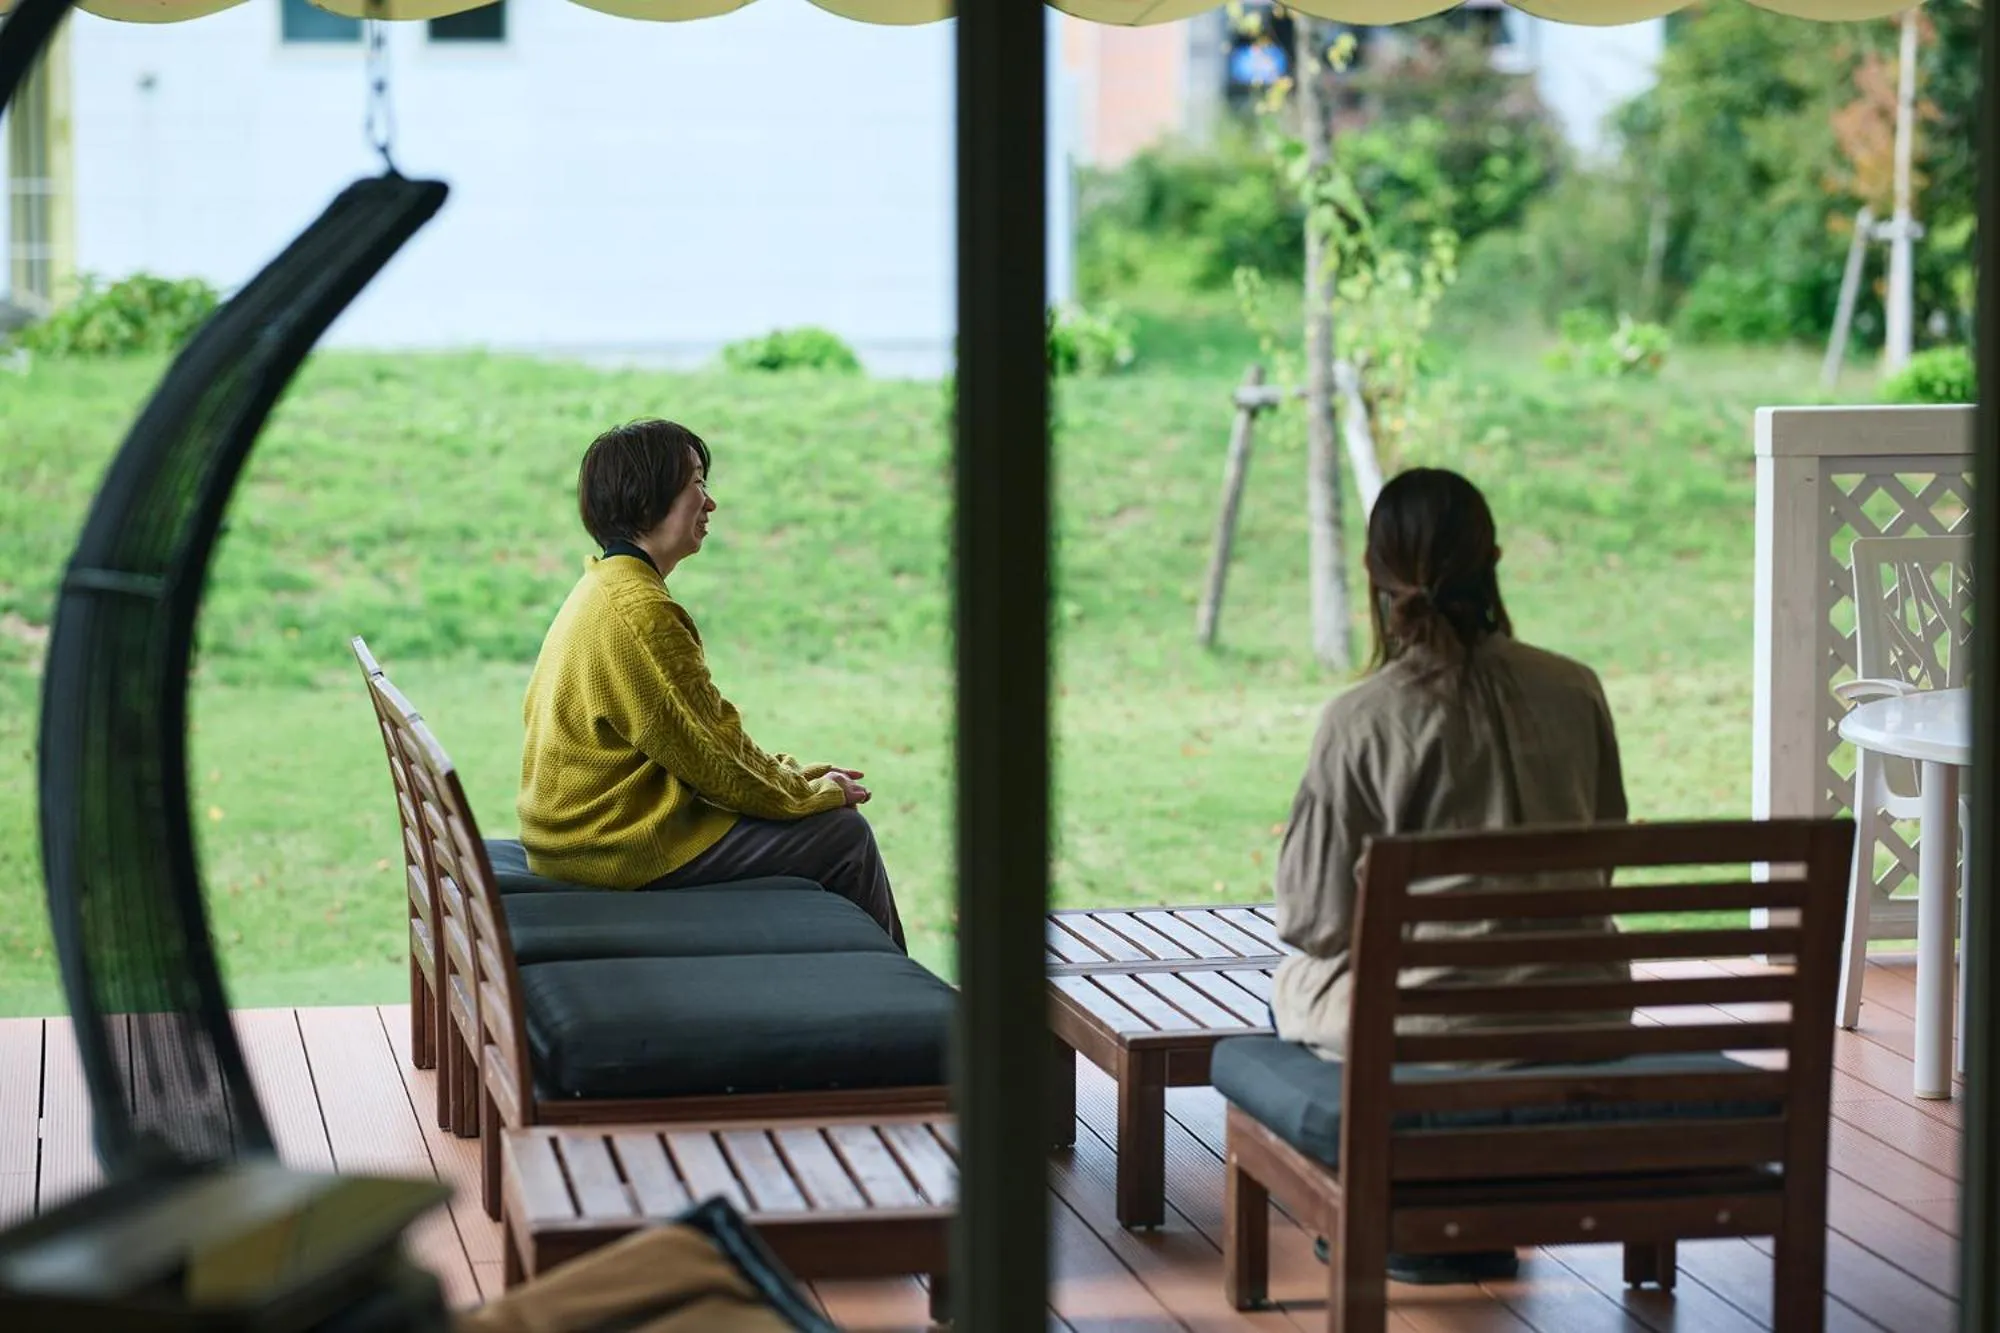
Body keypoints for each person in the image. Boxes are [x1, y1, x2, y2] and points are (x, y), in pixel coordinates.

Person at [1269, 466, 1629, 1285]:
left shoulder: (1361, 719)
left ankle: (1400, 1205)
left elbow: (1314, 920)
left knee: (1293, 987)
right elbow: (1601, 858)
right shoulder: (1575, 689)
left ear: (1376, 577)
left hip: (1418, 1024)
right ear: (1491, 561)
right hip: (1577, 1010)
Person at [516, 418, 905, 950]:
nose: (710, 502)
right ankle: (899, 998)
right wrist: (810, 793)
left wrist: (799, 777)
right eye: (696, 483)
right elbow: (717, 760)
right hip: (611, 848)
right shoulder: (641, 612)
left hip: (574, 838)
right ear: (648, 498)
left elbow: (704, 747)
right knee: (844, 837)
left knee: (826, 825)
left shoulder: (602, 585)